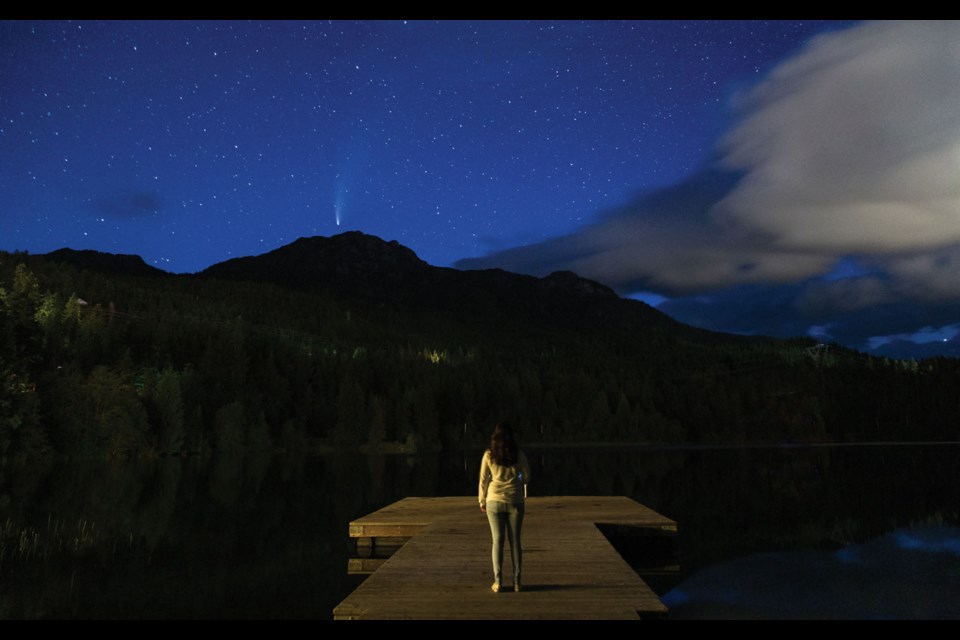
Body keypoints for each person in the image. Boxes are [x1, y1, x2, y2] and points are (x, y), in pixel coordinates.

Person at [478, 421, 530, 593]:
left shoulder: (489, 455)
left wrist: (481, 501)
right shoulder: (518, 454)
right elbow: (527, 477)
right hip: (515, 500)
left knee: (497, 541)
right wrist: (518, 476)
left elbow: (484, 480)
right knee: (515, 542)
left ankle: (498, 582)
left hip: (494, 501)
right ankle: (517, 582)